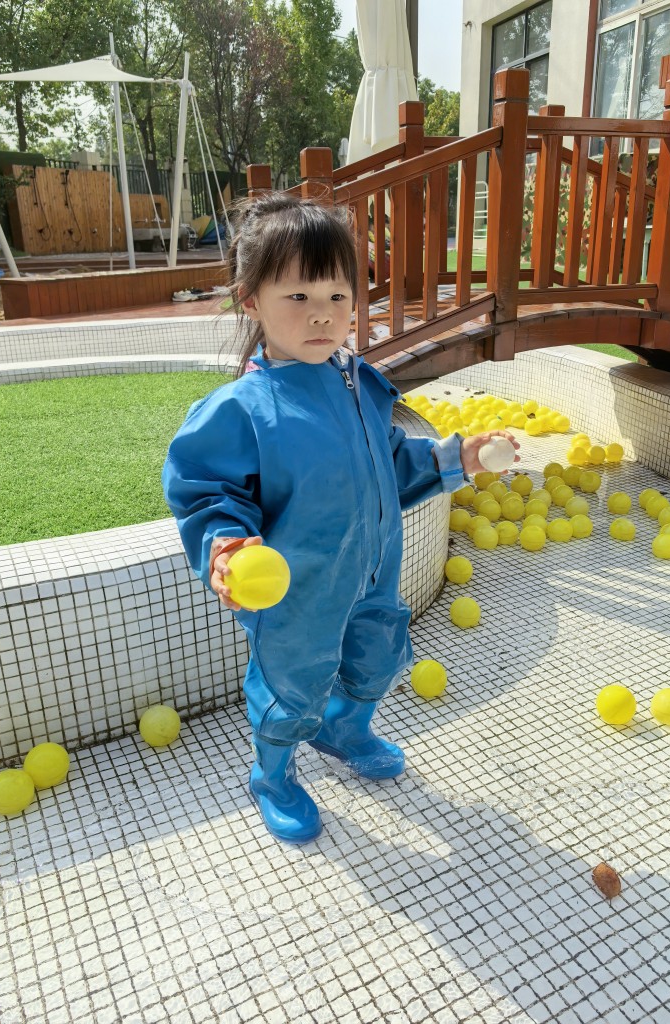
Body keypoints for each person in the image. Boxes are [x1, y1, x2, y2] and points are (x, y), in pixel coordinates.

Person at [162, 193, 519, 845]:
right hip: (298, 591)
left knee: (375, 660)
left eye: (337, 295)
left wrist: (455, 459)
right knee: (291, 686)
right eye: (298, 296)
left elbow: (390, 462)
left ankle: (344, 730)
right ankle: (272, 775)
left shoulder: (359, 383)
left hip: (374, 575)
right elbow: (209, 492)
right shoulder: (244, 408)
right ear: (251, 300)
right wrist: (227, 547)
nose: (322, 314)